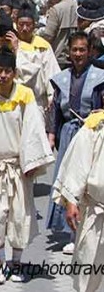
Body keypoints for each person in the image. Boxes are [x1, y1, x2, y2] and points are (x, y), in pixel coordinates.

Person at [0, 47, 54, 284]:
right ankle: (0, 265)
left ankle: (17, 264)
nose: (3, 76)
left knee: (20, 216)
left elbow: (32, 131)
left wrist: (30, 164)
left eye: (7, 71)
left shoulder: (25, 95)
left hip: (18, 167)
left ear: (14, 72)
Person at [47, 32, 104, 254]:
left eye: (82, 49)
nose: (78, 54)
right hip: (69, 135)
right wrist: (51, 136)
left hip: (94, 136)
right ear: (69, 52)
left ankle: (87, 231)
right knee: (69, 183)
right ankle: (72, 231)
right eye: (74, 50)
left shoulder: (100, 77)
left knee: (88, 183)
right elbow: (55, 112)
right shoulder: (62, 78)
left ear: (89, 51)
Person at [52, 110, 104, 292]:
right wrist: (72, 201)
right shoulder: (94, 127)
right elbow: (77, 164)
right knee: (89, 265)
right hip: (97, 210)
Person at [40, 0, 78, 68]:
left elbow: (48, 37)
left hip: (57, 58)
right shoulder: (76, 5)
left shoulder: (56, 9)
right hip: (73, 56)